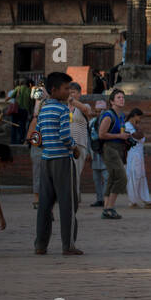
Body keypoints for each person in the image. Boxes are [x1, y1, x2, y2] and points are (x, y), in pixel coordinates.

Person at [31, 70, 81, 256]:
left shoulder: (43, 109)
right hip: (62, 160)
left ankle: (40, 244)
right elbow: (65, 136)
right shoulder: (62, 110)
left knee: (45, 205)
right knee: (68, 204)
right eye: (66, 88)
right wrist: (74, 148)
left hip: (46, 160)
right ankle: (68, 245)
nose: (69, 91)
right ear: (54, 89)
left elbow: (38, 137)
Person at [95, 88, 131, 220]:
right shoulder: (108, 116)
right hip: (109, 148)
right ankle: (109, 207)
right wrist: (120, 136)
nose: (122, 99)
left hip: (119, 148)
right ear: (112, 101)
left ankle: (107, 208)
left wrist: (125, 137)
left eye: (123, 97)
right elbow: (101, 134)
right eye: (118, 98)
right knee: (121, 178)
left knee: (112, 177)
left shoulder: (121, 116)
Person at [66, 83, 95, 228]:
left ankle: (73, 204)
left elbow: (86, 111)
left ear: (79, 93)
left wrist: (72, 101)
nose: (71, 94)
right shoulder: (64, 107)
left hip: (79, 145)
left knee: (75, 175)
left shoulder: (84, 106)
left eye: (73, 92)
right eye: (68, 92)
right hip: (65, 145)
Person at [124, 108, 151, 208]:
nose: (140, 119)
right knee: (133, 177)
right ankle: (132, 201)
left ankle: (146, 200)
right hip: (132, 155)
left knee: (141, 177)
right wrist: (137, 127)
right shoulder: (128, 125)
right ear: (135, 115)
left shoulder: (134, 126)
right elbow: (138, 136)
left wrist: (137, 127)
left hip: (139, 154)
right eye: (139, 117)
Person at [88, 98, 109, 208]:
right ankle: (99, 199)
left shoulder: (109, 121)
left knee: (106, 177)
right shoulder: (91, 123)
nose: (99, 113)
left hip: (105, 152)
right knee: (96, 178)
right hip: (94, 152)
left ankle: (106, 199)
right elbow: (88, 138)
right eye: (97, 111)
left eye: (101, 111)